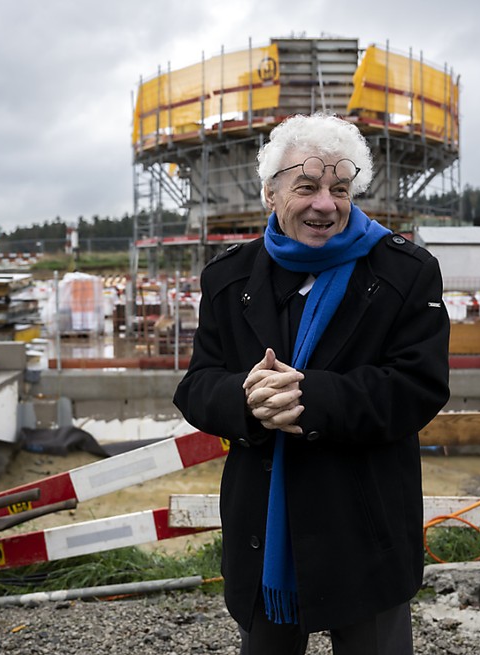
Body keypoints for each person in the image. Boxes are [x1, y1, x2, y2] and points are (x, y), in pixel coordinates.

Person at [173, 113, 450, 655]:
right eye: (307, 186)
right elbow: (197, 385)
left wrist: (311, 400)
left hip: (365, 525)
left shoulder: (405, 273)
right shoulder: (229, 278)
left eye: (339, 188)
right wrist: (246, 398)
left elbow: (419, 386)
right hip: (264, 529)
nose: (326, 204)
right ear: (270, 194)